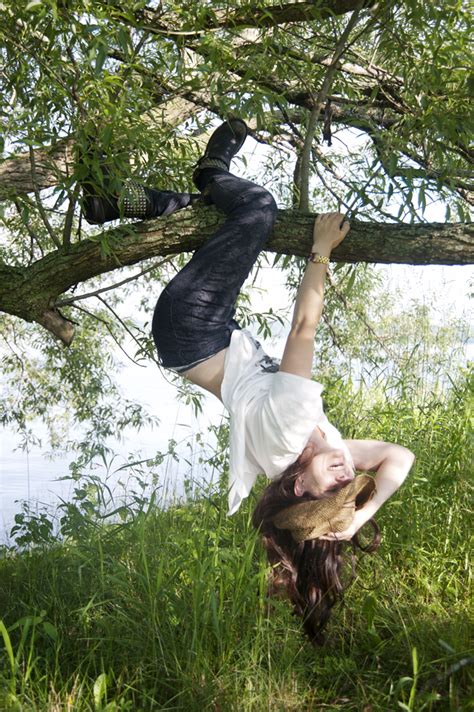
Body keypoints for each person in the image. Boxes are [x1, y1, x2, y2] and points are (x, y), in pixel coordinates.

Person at [83, 119, 415, 643]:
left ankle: (211, 170)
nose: (348, 469)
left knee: (257, 209)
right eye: (350, 479)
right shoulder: (301, 459)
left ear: (301, 486)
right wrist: (357, 514)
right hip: (201, 339)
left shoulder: (291, 432)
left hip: (194, 326)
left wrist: (322, 247)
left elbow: (304, 327)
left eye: (336, 484)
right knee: (215, 221)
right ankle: (109, 203)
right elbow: (400, 456)